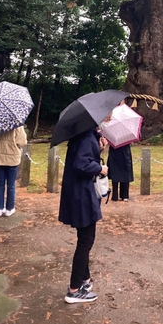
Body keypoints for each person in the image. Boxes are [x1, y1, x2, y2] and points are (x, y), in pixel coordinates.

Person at [59, 127, 108, 304]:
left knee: (84, 238)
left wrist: (99, 148)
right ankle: (73, 289)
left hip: (79, 193)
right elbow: (81, 165)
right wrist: (100, 168)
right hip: (82, 195)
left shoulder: (84, 134)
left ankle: (84, 279)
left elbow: (83, 157)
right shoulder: (86, 136)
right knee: (86, 240)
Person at [0, 125, 27, 217]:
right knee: (11, 184)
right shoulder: (16, 124)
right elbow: (22, 142)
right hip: (12, 157)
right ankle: (9, 209)